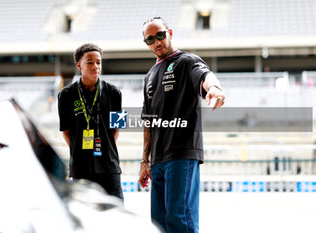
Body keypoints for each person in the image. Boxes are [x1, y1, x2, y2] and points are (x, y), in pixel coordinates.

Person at [138, 17, 225, 233]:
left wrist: (215, 88)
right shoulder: (149, 75)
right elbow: (148, 122)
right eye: (150, 39)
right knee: (160, 222)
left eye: (160, 35)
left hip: (181, 155)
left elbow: (205, 75)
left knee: (180, 218)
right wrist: (144, 161)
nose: (156, 42)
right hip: (157, 160)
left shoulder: (186, 61)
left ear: (170, 32)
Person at [58, 43, 124, 200]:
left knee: (115, 211)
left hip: (109, 166)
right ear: (79, 65)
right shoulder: (65, 95)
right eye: (90, 62)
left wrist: (102, 150)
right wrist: (82, 152)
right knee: (85, 214)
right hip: (81, 168)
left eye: (98, 62)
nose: (95, 66)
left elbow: (117, 129)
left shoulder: (115, 92)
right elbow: (66, 132)